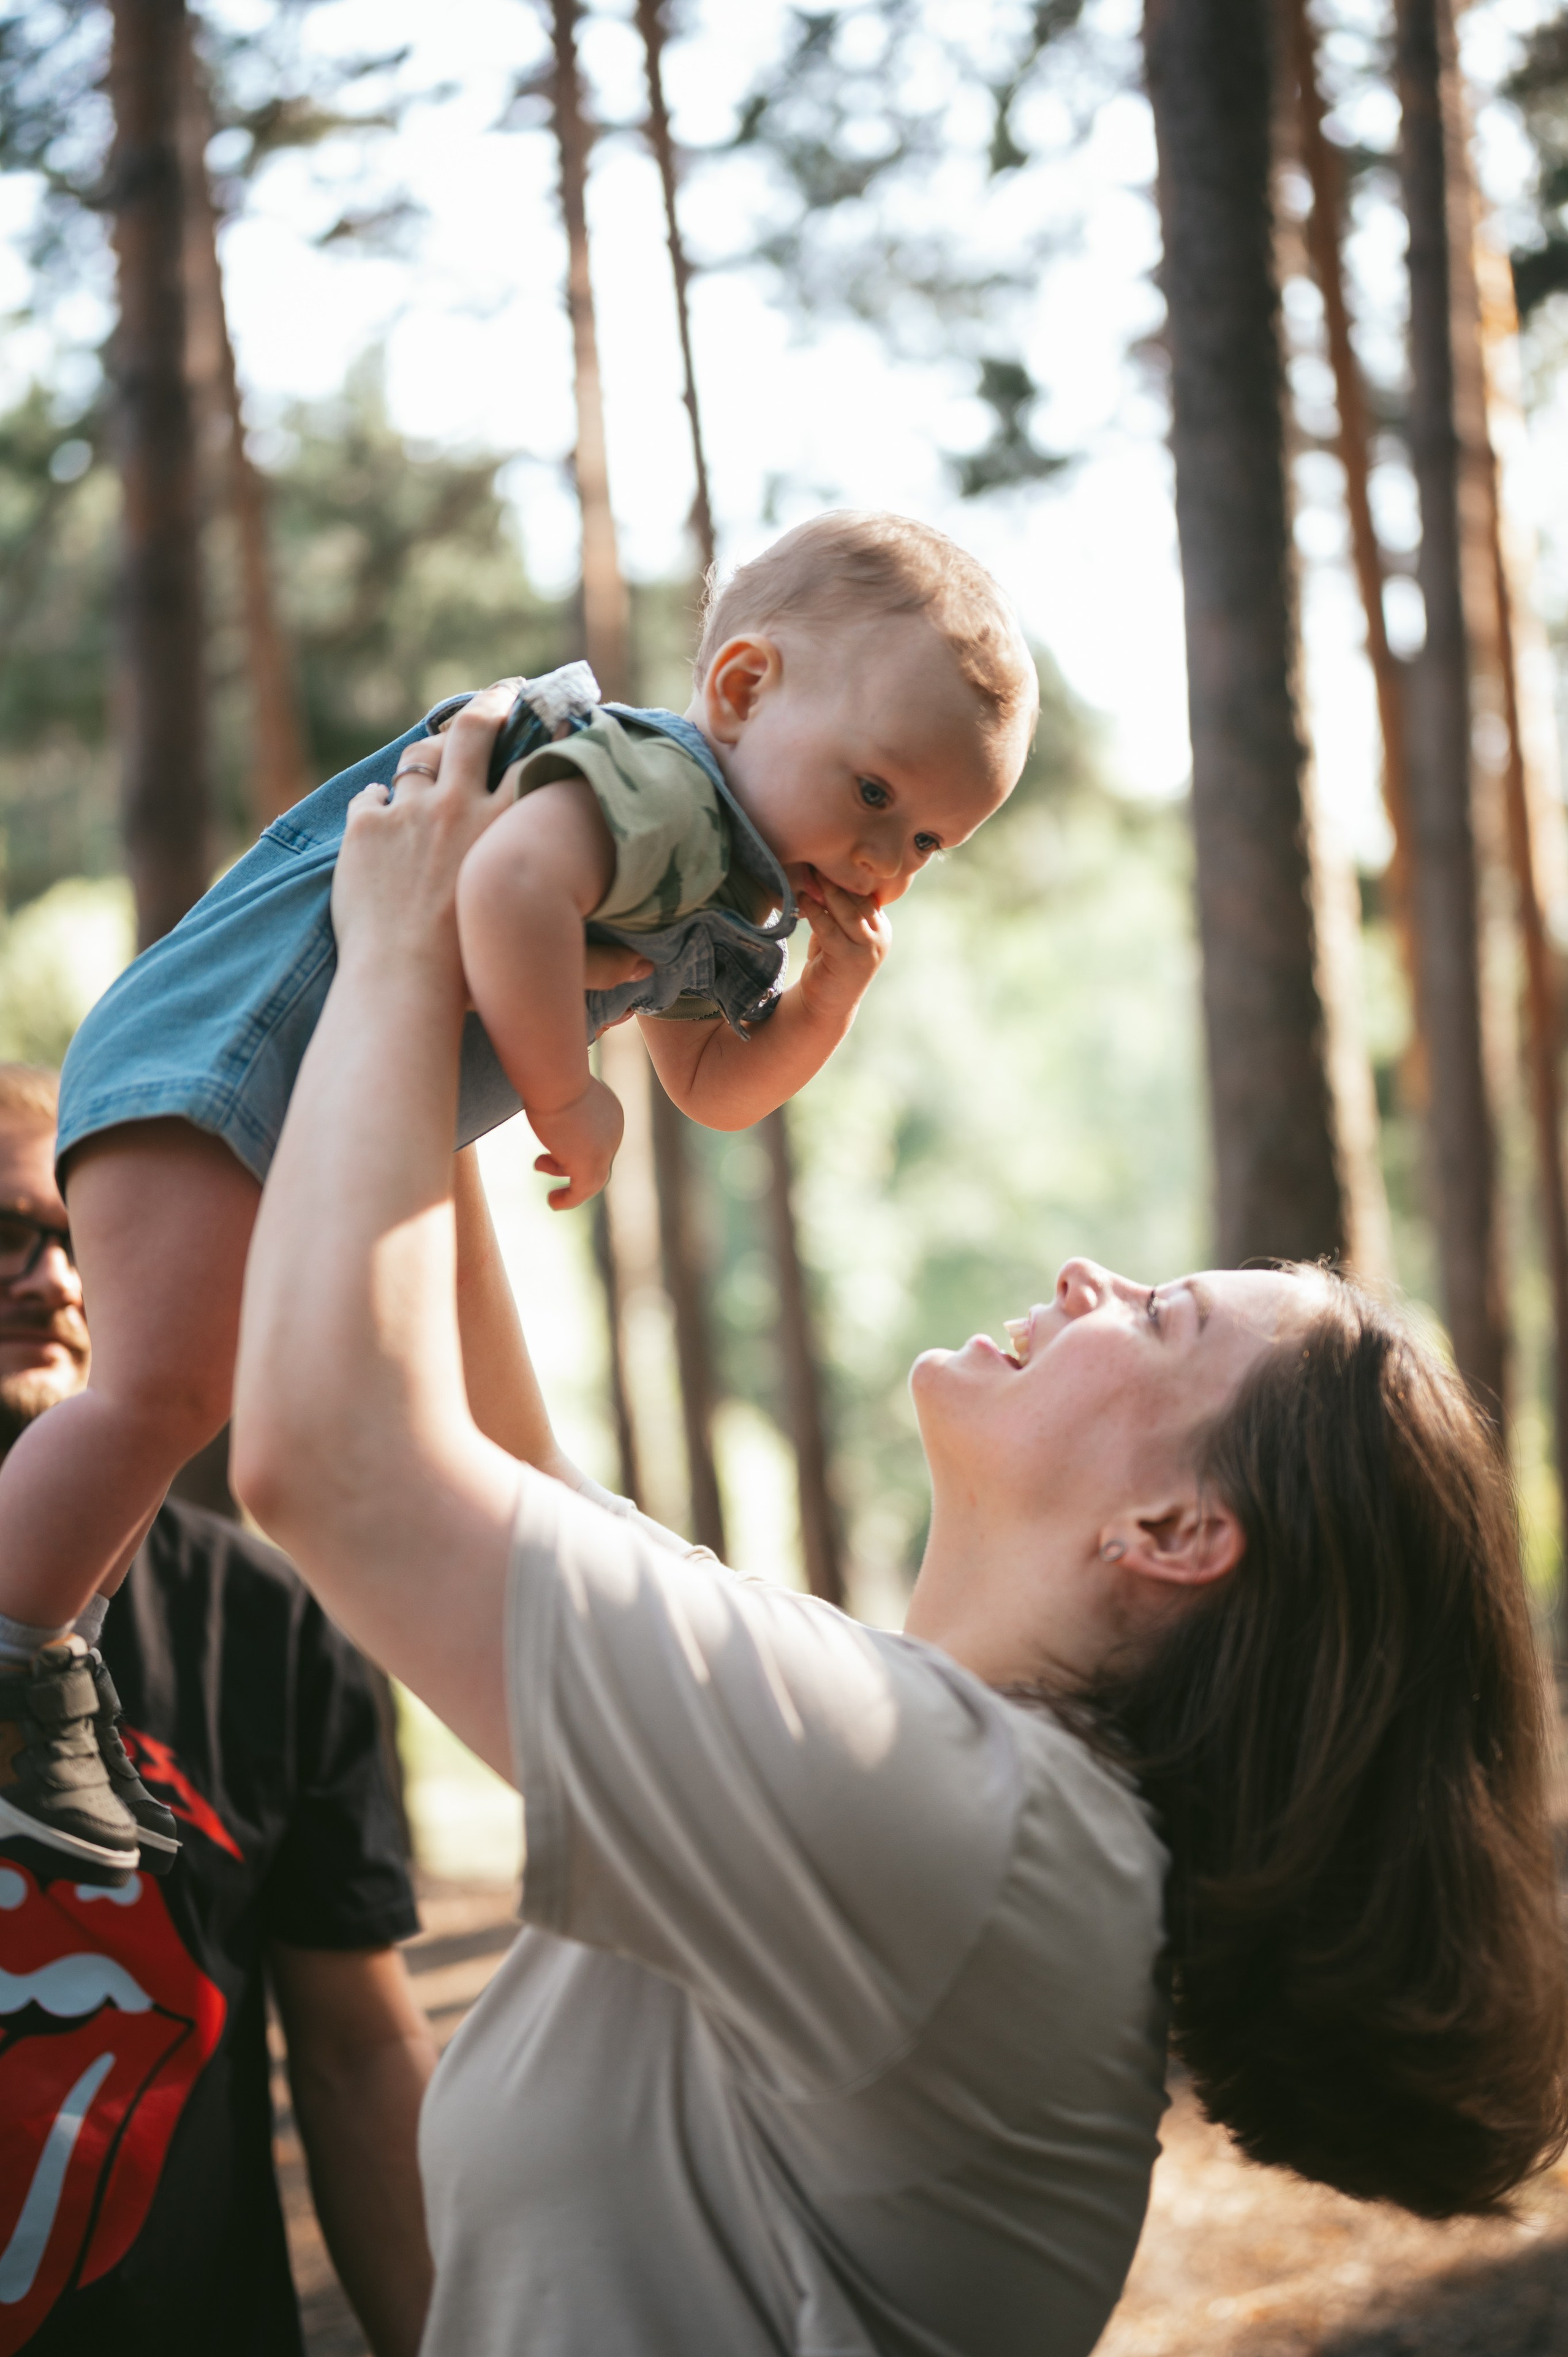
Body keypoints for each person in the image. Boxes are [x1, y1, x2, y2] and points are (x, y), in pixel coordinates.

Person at [230, 698, 1568, 2355]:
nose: (1089, 1274)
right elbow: (509, 1468)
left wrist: (389, 951)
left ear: (1173, 1527)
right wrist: (460, 1003)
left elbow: (335, 1464)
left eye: (1157, 1316)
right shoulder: (961, 1798)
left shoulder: (970, 1831)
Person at [0, 510, 1036, 1879]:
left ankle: (49, 1676)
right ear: (741, 688)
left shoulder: (722, 885)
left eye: (926, 844)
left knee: (170, 1404)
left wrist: (825, 1001)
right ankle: (19, 1668)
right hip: (224, 1054)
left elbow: (711, 1082)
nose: (881, 860)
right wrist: (563, 1095)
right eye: (872, 794)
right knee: (159, 1395)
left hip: (257, 1091)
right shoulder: (661, 791)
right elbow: (504, 885)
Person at [0, 1065, 436, 2357]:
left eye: (88, 1241)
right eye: (5, 1235)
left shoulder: (273, 1622)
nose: (54, 1280)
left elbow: (358, 2056)